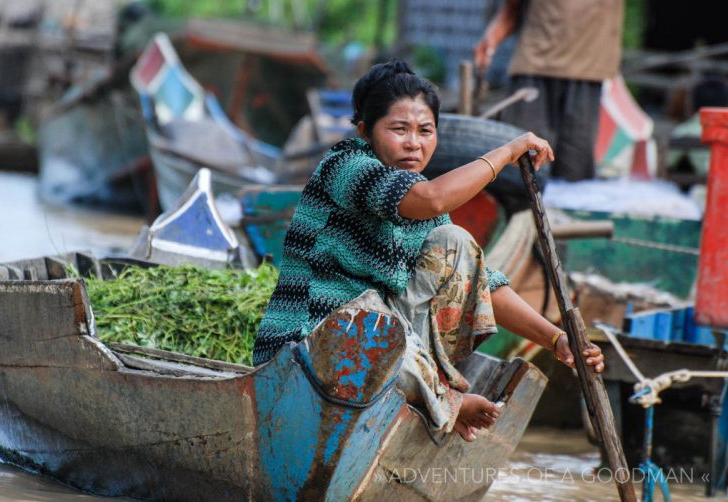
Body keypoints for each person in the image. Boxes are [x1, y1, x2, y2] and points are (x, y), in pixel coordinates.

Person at [253, 60, 604, 442]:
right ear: (365, 131)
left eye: (425, 131)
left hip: (377, 331)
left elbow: (484, 283)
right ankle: (445, 401)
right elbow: (432, 199)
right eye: (398, 130)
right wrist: (506, 153)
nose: (413, 143)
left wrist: (557, 340)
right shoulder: (346, 165)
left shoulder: (418, 199)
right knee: (371, 327)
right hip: (309, 339)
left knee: (455, 242)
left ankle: (430, 387)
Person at [474, 0, 623, 181]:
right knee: (520, 163)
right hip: (535, 64)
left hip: (588, 68)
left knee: (574, 172)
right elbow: (511, 8)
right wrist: (492, 38)